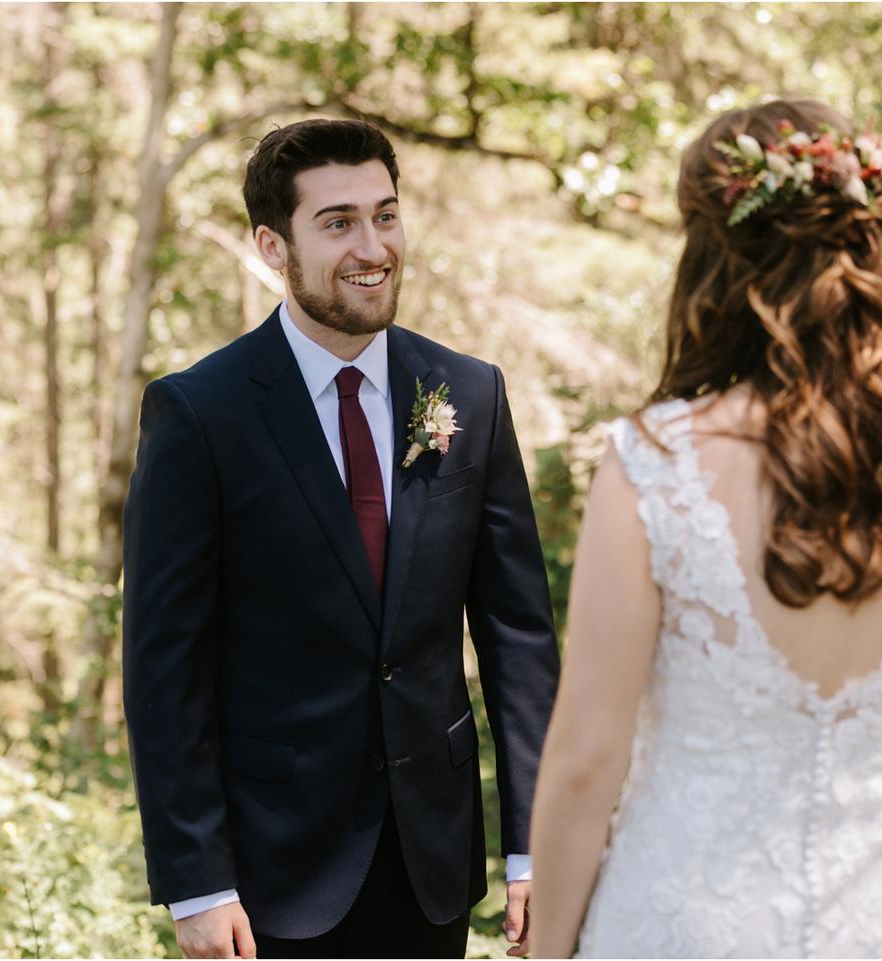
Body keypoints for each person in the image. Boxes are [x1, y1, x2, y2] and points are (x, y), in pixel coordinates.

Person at [529, 100, 882, 958]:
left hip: (684, 921)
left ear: (712, 260)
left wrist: (549, 949)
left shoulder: (655, 464)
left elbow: (583, 763)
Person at [122, 119, 560, 959]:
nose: (373, 246)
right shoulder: (199, 413)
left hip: (431, 866)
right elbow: (163, 665)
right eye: (338, 223)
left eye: (385, 215)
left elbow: (519, 639)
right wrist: (198, 882)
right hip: (267, 880)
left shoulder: (470, 393)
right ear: (271, 245)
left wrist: (535, 844)